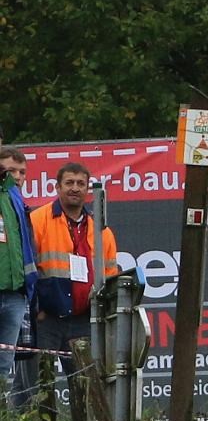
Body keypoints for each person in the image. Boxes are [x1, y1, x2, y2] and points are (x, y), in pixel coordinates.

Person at [30, 161, 119, 374]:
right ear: (57, 187)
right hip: (46, 319)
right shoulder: (37, 220)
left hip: (83, 321)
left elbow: (110, 276)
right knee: (39, 385)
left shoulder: (102, 230)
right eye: (69, 182)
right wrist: (37, 309)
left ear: (88, 189)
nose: (75, 188)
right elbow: (28, 267)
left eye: (81, 183)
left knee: (88, 384)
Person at [0, 146, 38, 404]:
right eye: (10, 169)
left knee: (4, 367)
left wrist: (26, 289)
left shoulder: (15, 199)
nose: (17, 176)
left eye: (21, 172)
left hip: (14, 293)